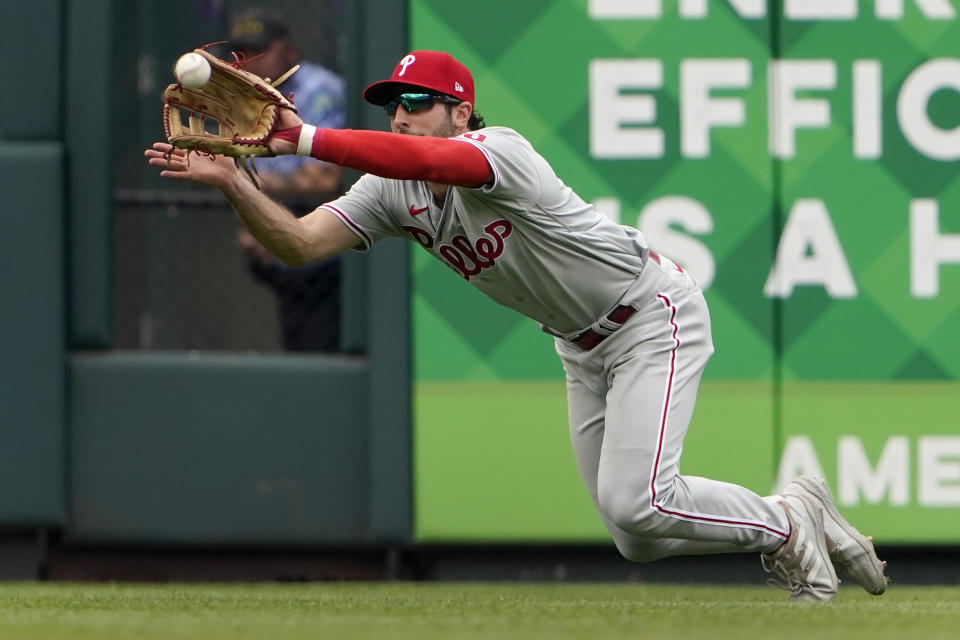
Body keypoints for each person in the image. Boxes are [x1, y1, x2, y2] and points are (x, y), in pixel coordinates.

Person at [146, 50, 888, 600]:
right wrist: (234, 183)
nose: (403, 113)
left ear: (461, 113)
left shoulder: (501, 153)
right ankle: (792, 511)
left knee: (640, 500)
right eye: (394, 104)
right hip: (578, 344)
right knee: (635, 536)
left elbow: (431, 160)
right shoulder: (389, 192)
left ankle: (787, 527)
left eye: (421, 101)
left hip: (649, 315)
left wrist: (305, 141)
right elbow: (300, 244)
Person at [229, 10, 346, 352]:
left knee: (322, 351)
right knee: (297, 348)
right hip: (278, 247)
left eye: (258, 52)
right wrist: (252, 229)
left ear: (289, 52)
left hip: (328, 248)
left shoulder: (320, 90)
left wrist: (260, 186)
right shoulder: (241, 97)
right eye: (241, 53)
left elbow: (326, 178)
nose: (248, 62)